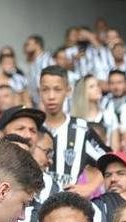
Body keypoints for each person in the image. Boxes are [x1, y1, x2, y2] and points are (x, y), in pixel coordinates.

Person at [38, 65, 108, 196]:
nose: (51, 96)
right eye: (45, 89)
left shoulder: (81, 129)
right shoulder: (32, 128)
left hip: (68, 206)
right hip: (35, 207)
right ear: (39, 92)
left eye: (57, 89)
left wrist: (89, 187)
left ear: (68, 90)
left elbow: (110, 161)